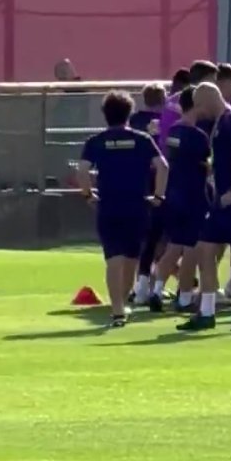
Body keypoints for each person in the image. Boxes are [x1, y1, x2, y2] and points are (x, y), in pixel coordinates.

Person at [177, 82, 231, 334]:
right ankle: (206, 312)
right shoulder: (219, 123)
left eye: (199, 105)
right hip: (220, 201)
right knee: (205, 250)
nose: (199, 111)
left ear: (209, 99)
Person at [77, 90, 168, 327]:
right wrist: (159, 195)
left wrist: (88, 194)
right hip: (137, 205)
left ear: (105, 114)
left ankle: (117, 309)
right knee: (131, 258)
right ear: (129, 113)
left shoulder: (96, 141)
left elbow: (82, 169)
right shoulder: (142, 139)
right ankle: (122, 304)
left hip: (109, 205)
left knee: (113, 258)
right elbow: (163, 166)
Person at [149, 86, 211, 313]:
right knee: (192, 247)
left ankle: (157, 290)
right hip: (194, 195)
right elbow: (206, 164)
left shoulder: (174, 130)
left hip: (174, 194)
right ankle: (184, 297)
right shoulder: (198, 136)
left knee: (174, 246)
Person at [129, 83, 168, 304]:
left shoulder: (134, 121)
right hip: (160, 183)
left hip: (138, 182)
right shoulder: (167, 120)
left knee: (144, 237)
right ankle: (151, 283)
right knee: (160, 236)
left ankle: (141, 283)